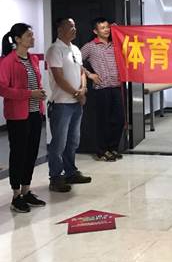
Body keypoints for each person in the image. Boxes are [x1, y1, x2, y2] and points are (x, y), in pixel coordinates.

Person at [0, 23, 47, 212]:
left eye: (32, 35)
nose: (32, 38)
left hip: (35, 113)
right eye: (28, 35)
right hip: (18, 116)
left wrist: (39, 94)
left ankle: (27, 190)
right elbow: (3, 89)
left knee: (31, 153)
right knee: (18, 154)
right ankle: (16, 195)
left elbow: (36, 83)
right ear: (18, 39)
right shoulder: (7, 61)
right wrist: (29, 94)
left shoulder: (33, 59)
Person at [45, 18, 92, 192]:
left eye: (75, 26)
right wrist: (76, 93)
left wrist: (83, 89)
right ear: (60, 30)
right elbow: (59, 78)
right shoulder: (54, 50)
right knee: (59, 143)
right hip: (61, 104)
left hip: (75, 104)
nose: (74, 29)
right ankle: (55, 177)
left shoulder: (75, 49)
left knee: (73, 141)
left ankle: (71, 172)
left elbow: (82, 72)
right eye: (70, 26)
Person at [80, 17, 124, 162]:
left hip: (116, 87)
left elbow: (130, 45)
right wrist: (89, 74)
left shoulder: (115, 44)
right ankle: (102, 150)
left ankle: (113, 148)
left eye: (107, 27)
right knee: (103, 121)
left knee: (118, 119)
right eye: (102, 28)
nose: (106, 30)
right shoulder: (90, 46)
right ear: (95, 31)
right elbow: (75, 61)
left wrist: (119, 30)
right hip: (101, 89)